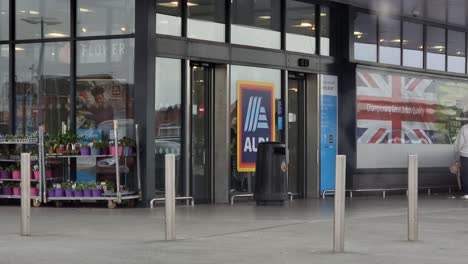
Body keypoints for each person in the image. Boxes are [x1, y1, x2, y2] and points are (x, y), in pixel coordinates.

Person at [454, 120, 468, 199]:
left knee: (465, 175)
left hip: (465, 155)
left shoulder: (464, 128)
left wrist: (456, 153)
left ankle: (467, 193)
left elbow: (459, 143)